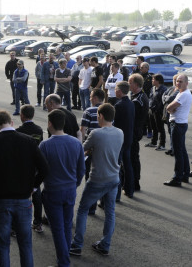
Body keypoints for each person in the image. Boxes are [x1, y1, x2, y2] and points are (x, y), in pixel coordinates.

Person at [0, 110, 48, 267]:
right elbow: (44, 168)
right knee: (25, 245)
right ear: (11, 122)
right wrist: (34, 186)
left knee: (3, 245)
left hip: (1, 199)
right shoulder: (29, 141)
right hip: (24, 198)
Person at [70, 104, 123, 257]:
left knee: (82, 210)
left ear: (100, 116)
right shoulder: (120, 132)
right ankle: (105, 244)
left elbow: (81, 149)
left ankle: (77, 245)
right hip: (114, 177)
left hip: (98, 179)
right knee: (110, 212)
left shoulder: (96, 133)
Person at [39, 109, 85, 267]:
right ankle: (64, 258)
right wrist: (75, 183)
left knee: (57, 228)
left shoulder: (45, 145)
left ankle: (64, 262)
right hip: (70, 190)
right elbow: (81, 169)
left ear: (50, 124)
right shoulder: (75, 143)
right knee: (66, 226)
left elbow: (40, 171)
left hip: (52, 191)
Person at [16, 105, 44, 232]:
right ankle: (37, 223)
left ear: (22, 115)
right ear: (33, 115)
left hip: (21, 167)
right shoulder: (38, 130)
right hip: (34, 166)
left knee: (18, 196)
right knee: (36, 195)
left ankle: (15, 226)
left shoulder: (17, 131)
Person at [163, 74, 192, 187]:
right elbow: (171, 107)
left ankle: (177, 178)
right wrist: (171, 109)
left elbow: (168, 107)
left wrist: (170, 109)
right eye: (177, 81)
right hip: (180, 123)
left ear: (186, 83)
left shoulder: (184, 94)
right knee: (182, 150)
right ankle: (185, 175)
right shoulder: (181, 93)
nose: (178, 83)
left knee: (178, 152)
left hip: (177, 125)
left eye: (180, 81)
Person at [113, 81, 135, 199]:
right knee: (127, 164)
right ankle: (129, 189)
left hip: (120, 139)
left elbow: (115, 123)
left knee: (117, 166)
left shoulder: (119, 105)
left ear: (120, 91)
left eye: (116, 89)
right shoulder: (131, 103)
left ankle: (116, 194)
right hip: (128, 137)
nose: (115, 91)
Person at [128, 74, 149, 191]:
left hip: (134, 131)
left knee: (132, 157)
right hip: (136, 130)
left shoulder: (138, 100)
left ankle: (135, 182)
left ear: (136, 84)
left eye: (130, 82)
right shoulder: (138, 96)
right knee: (133, 157)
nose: (128, 84)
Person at [145, 74, 167, 150]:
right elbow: (150, 98)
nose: (152, 81)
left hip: (158, 112)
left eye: (153, 79)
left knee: (160, 128)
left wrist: (156, 109)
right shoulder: (153, 88)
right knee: (153, 127)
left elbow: (163, 102)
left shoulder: (163, 89)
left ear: (158, 81)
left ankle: (162, 144)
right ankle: (154, 142)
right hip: (151, 111)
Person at [162, 74, 180, 156]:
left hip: (173, 114)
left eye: (176, 80)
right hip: (167, 113)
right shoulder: (172, 88)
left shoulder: (179, 91)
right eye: (174, 80)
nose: (174, 82)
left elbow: (170, 98)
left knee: (174, 133)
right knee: (170, 131)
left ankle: (175, 149)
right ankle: (172, 148)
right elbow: (163, 95)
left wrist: (166, 98)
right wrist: (166, 99)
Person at [140, 62, 153, 138]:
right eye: (140, 67)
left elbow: (146, 87)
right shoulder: (139, 75)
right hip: (140, 97)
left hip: (147, 98)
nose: (140, 69)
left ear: (147, 68)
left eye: (142, 67)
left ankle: (150, 130)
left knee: (148, 116)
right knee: (142, 115)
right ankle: (143, 130)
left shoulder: (149, 77)